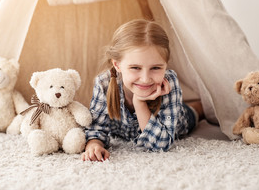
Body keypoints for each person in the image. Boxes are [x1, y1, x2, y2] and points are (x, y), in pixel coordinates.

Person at [81, 19, 204, 161]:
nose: (145, 79)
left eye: (156, 68)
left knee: (195, 112)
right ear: (117, 65)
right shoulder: (104, 83)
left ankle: (199, 107)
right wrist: (94, 145)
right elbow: (96, 129)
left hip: (179, 120)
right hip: (126, 130)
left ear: (165, 65)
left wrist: (139, 102)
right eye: (135, 68)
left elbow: (161, 144)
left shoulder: (169, 82)